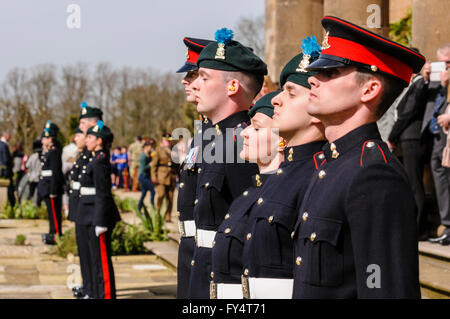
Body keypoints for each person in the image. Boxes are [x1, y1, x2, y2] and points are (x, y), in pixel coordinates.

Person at [291, 16, 425, 299]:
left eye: (331, 72)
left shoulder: (373, 174)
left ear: (369, 89)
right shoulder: (330, 164)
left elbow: (384, 289)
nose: (313, 79)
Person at [187, 28, 266, 298]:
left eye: (204, 77)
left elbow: (247, 228)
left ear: (232, 87)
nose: (195, 84)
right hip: (203, 268)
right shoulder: (216, 139)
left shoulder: (242, 143)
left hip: (225, 282)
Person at [210, 90, 282, 299]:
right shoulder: (249, 194)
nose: (244, 132)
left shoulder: (284, 192)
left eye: (257, 127)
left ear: (282, 140)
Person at [175, 36, 213, 299]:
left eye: (194, 74)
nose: (184, 81)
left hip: (209, 251)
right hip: (191, 244)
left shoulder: (228, 136)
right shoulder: (204, 131)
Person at [387, 55, 429, 240]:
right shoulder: (412, 84)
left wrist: (392, 135)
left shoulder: (419, 84)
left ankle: (419, 228)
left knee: (414, 183)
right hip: (405, 138)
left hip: (412, 138)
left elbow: (408, 112)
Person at [79, 120, 121, 299]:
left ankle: (105, 296)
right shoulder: (96, 159)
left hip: (99, 217)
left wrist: (101, 221)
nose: (87, 140)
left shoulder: (100, 161)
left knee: (102, 262)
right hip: (92, 214)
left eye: (90, 137)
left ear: (99, 141)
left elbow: (103, 193)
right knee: (96, 261)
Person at [71, 101, 104, 299]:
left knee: (94, 257)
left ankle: (94, 290)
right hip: (82, 207)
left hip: (91, 210)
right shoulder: (85, 153)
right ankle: (89, 287)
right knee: (85, 253)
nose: (80, 130)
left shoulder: (96, 153)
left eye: (84, 125)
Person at [422, 43, 450, 245]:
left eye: (449, 62)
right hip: (438, 134)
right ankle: (447, 225)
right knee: (438, 172)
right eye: (443, 63)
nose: (446, 67)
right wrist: (427, 78)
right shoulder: (437, 79)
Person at [38, 121, 65, 245]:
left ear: (51, 139)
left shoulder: (54, 152)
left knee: (54, 214)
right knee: (51, 213)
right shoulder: (49, 152)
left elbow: (55, 173)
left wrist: (53, 190)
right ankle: (52, 232)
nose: (43, 140)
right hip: (47, 186)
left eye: (45, 138)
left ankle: (56, 234)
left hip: (51, 188)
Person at [151, 133, 177, 222]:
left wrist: (180, 177)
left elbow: (177, 165)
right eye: (166, 140)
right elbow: (154, 165)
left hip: (172, 176)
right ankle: (157, 214)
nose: (168, 142)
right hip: (161, 177)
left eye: (169, 140)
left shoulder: (174, 150)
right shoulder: (158, 150)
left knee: (170, 198)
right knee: (161, 195)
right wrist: (153, 176)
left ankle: (168, 216)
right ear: (163, 141)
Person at [137, 141, 156, 211]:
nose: (151, 148)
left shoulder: (149, 154)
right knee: (153, 191)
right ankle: (153, 208)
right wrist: (150, 165)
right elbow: (143, 168)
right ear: (145, 147)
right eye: (150, 147)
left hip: (147, 176)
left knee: (144, 194)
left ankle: (138, 209)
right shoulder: (143, 156)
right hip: (142, 177)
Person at [0, 131, 15, 208]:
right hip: (5, 171)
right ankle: (12, 205)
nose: (10, 138)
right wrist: (11, 163)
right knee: (9, 189)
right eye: (9, 136)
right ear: (5, 136)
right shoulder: (4, 145)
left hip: (3, 170)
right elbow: (5, 160)